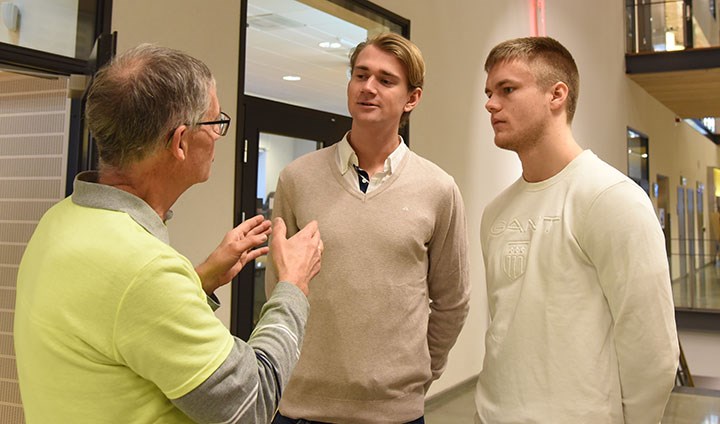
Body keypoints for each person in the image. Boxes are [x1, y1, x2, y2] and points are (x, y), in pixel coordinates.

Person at [14, 44, 323, 424]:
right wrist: (292, 285)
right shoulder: (145, 269)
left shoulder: (60, 220)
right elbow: (251, 403)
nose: (218, 137)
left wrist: (200, 281)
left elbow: (119, 326)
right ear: (179, 142)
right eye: (215, 123)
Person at [265, 32, 471, 424]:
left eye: (385, 80)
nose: (368, 88)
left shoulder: (438, 189)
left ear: (412, 98)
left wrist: (420, 374)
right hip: (300, 407)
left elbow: (452, 300)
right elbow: (279, 289)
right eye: (360, 75)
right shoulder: (297, 179)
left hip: (395, 412)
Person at [477, 36, 679, 423]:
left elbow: (652, 352)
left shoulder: (612, 199)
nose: (490, 103)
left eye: (507, 89)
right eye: (489, 92)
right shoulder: (495, 212)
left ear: (557, 95)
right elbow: (504, 331)